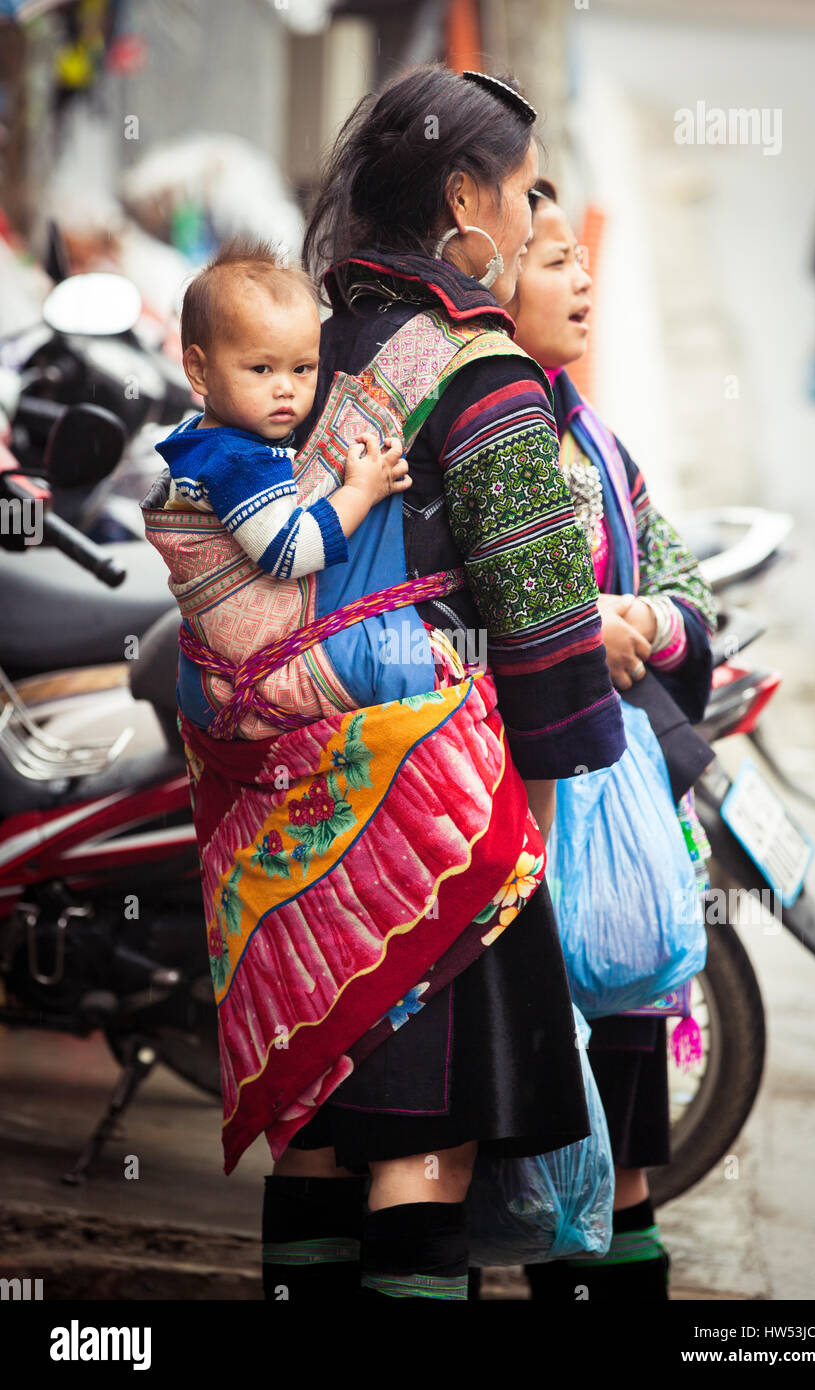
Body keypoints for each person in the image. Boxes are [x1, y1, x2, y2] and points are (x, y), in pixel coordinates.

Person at [142, 65, 625, 1302]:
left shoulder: (298, 340)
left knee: (312, 1119)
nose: (528, 223)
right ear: (464, 201)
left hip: (272, 817)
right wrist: (574, 757)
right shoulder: (482, 377)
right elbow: (548, 636)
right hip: (431, 828)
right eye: (521, 195)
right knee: (422, 1146)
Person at [504, 178, 717, 1301]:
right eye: (548, 258)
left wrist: (649, 617)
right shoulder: (476, 440)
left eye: (577, 255)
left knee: (625, 1158)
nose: (580, 277)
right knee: (524, 1155)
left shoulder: (597, 439)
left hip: (618, 856)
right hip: (517, 847)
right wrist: (579, 629)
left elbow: (682, 587)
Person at [156, 239, 411, 589]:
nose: (286, 388)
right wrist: (361, 490)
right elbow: (289, 552)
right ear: (199, 370)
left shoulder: (205, 436)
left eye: (302, 368)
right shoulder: (237, 460)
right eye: (262, 369)